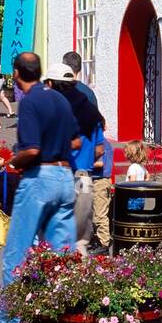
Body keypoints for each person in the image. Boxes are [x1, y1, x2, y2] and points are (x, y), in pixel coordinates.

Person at [0, 52, 80, 323]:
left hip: (39, 178)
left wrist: (13, 162)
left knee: (17, 253)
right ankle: (64, 314)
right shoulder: (59, 99)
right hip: (64, 176)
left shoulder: (31, 101)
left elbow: (32, 149)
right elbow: (75, 139)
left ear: (17, 74)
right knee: (62, 252)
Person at [45, 62, 107, 253]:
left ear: (51, 84)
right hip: (84, 177)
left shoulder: (53, 110)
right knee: (80, 236)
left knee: (54, 230)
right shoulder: (90, 111)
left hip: (58, 174)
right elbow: (99, 149)